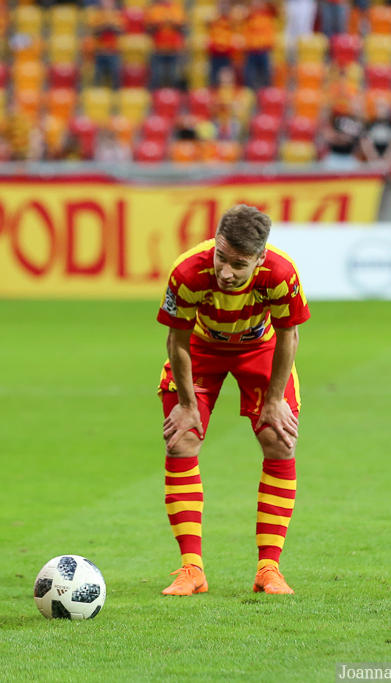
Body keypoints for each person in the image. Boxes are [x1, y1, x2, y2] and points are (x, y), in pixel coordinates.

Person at [157, 205, 311, 597]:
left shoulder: (280, 273)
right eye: (221, 257)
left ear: (259, 259)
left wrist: (275, 399)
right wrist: (187, 404)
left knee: (279, 440)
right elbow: (177, 340)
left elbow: (289, 335)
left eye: (238, 264)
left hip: (260, 349)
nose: (226, 271)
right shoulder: (187, 272)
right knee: (182, 440)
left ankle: (269, 569)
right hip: (200, 348)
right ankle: (191, 569)